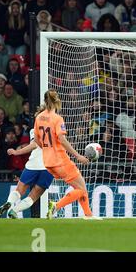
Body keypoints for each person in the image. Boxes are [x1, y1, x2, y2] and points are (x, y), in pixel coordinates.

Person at [34, 89, 100, 220]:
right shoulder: (57, 119)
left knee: (80, 187)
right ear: (56, 101)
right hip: (60, 160)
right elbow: (62, 140)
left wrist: (48, 150)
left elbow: (36, 140)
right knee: (81, 188)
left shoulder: (39, 117)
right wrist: (78, 156)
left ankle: (88, 215)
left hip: (48, 162)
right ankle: (56, 206)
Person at [0, 129, 53, 219]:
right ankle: (14, 210)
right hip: (49, 166)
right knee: (33, 196)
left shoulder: (34, 130)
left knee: (19, 190)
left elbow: (33, 145)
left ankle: (9, 202)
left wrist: (16, 152)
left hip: (33, 164)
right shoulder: (56, 128)